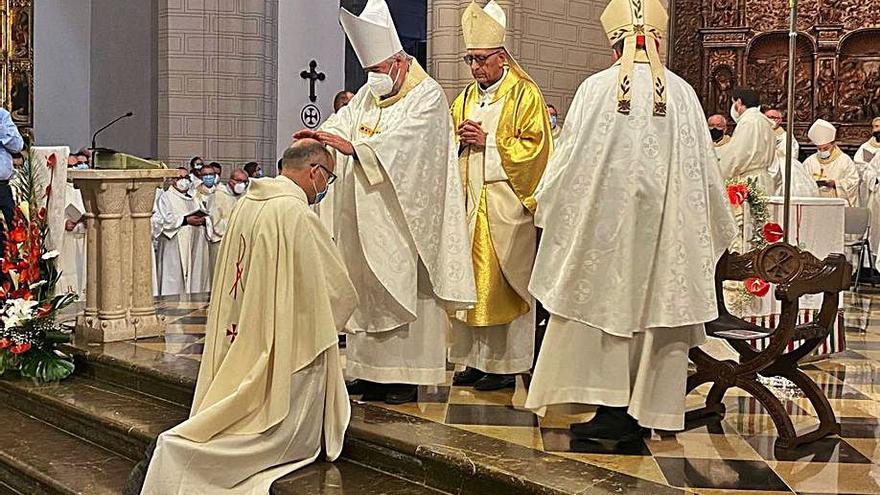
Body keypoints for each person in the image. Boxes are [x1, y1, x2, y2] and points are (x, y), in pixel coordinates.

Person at [525, 0, 737, 441]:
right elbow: (706, 177)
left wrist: (547, 204)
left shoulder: (595, 89)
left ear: (613, 43)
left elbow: (566, 167)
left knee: (602, 305)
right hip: (666, 241)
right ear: (657, 41)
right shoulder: (682, 93)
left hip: (604, 239)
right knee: (657, 306)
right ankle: (646, 408)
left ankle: (610, 406)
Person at [138, 139, 356, 494]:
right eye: (327, 178)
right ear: (314, 172)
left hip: (240, 332)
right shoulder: (294, 212)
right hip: (283, 342)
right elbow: (332, 290)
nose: (324, 188)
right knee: (268, 426)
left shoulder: (247, 204)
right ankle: (187, 457)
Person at [297, 0, 476, 405]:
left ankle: (403, 376)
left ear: (398, 61)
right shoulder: (367, 94)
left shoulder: (426, 95)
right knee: (364, 288)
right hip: (363, 214)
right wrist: (317, 139)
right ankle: (368, 370)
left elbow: (411, 145)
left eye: (378, 70)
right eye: (369, 72)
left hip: (403, 219)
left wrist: (358, 149)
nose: (373, 78)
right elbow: (340, 125)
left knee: (403, 291)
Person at [448, 0, 553, 392]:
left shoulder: (525, 94)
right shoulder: (465, 99)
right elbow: (448, 141)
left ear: (501, 57)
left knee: (504, 283)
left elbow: (537, 149)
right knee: (471, 286)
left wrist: (490, 143)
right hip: (469, 202)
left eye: (481, 59)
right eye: (469, 60)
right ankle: (474, 360)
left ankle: (506, 365)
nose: (475, 68)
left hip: (506, 206)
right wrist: (458, 143)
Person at [152, 167, 211, 296]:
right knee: (174, 278)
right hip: (173, 244)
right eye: (180, 178)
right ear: (172, 180)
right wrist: (185, 220)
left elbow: (206, 214)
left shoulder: (194, 197)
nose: (183, 181)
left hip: (194, 242)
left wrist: (203, 220)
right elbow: (164, 220)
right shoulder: (166, 197)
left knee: (193, 277)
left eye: (186, 178)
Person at [717, 87, 776, 194]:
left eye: (733, 102)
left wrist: (719, 175)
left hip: (748, 182)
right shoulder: (763, 121)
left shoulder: (749, 122)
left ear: (739, 102)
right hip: (762, 179)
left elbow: (737, 155)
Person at [803, 119, 860, 206]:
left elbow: (853, 182)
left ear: (833, 144)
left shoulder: (844, 160)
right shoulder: (810, 162)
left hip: (837, 204)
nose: (822, 151)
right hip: (815, 204)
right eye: (819, 148)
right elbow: (803, 183)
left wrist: (835, 184)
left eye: (825, 148)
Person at [764, 108, 817, 197]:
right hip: (765, 167)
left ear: (779, 120)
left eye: (773, 117)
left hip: (784, 168)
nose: (769, 120)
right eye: (767, 117)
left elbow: (792, 154)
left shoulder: (787, 136)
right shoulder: (760, 134)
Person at [206, 168, 249, 269]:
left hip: (239, 243)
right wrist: (234, 230)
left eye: (244, 181)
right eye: (239, 181)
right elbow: (215, 222)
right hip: (221, 243)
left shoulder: (245, 197)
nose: (242, 184)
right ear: (231, 181)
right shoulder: (217, 195)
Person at [57, 159, 87, 296]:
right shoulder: (58, 189)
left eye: (78, 165)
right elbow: (50, 218)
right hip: (67, 242)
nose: (75, 168)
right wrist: (64, 223)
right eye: (71, 166)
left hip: (86, 241)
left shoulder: (88, 188)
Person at [0, 107, 24, 235]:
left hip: (3, 187)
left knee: (14, 232)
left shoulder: (2, 115)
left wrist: (2, 129)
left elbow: (17, 146)